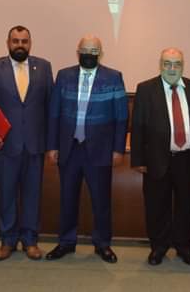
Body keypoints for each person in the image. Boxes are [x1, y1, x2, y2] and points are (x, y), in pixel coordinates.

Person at [45, 35, 127, 263]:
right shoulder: (64, 75)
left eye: (94, 50)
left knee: (101, 201)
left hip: (100, 150)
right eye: (85, 50)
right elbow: (54, 113)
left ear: (100, 53)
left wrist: (118, 149)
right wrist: (52, 145)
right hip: (69, 149)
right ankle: (66, 242)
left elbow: (122, 116)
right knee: (67, 199)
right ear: (78, 51)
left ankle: (102, 244)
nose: (89, 54)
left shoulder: (114, 77)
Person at [0, 25, 53, 261]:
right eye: (15, 41)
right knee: (6, 195)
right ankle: (7, 240)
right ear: (7, 43)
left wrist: (50, 142)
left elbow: (50, 106)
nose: (20, 45)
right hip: (3, 144)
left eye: (24, 41)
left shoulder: (44, 67)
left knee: (32, 195)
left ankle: (30, 240)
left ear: (30, 43)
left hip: (34, 145)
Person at [130, 48, 190, 266]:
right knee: (156, 206)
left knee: (186, 206)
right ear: (160, 65)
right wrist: (138, 160)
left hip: (187, 159)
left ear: (182, 66)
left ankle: (184, 247)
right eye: (167, 64)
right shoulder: (145, 89)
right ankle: (158, 247)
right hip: (156, 158)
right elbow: (137, 126)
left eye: (177, 64)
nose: (172, 68)